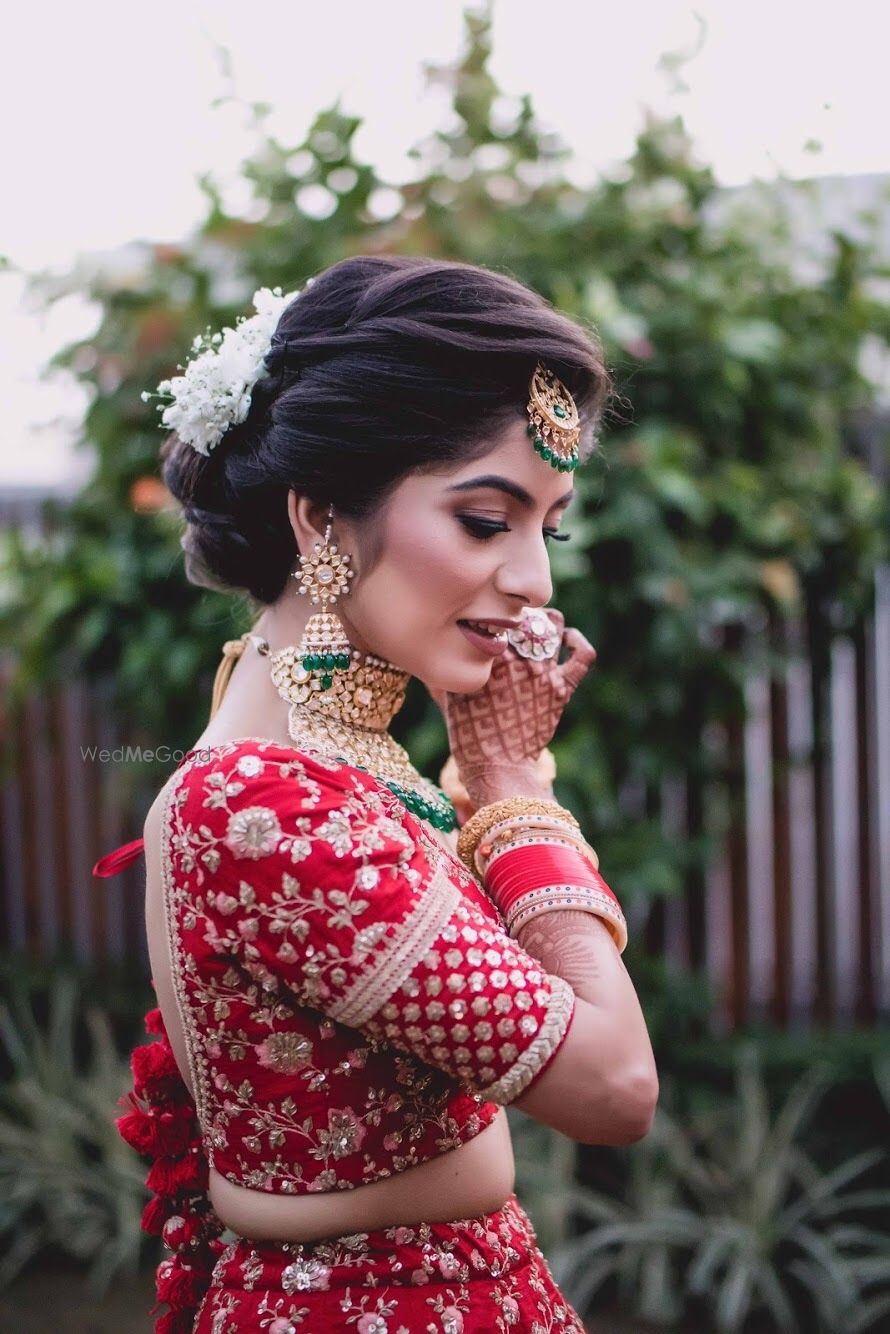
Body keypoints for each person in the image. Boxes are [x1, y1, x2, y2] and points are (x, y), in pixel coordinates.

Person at [97, 255, 658, 1332]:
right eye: (487, 520)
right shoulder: (266, 803)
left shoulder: (338, 762)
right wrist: (503, 781)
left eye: (553, 524)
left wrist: (493, 783)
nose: (535, 578)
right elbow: (613, 1086)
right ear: (319, 522)